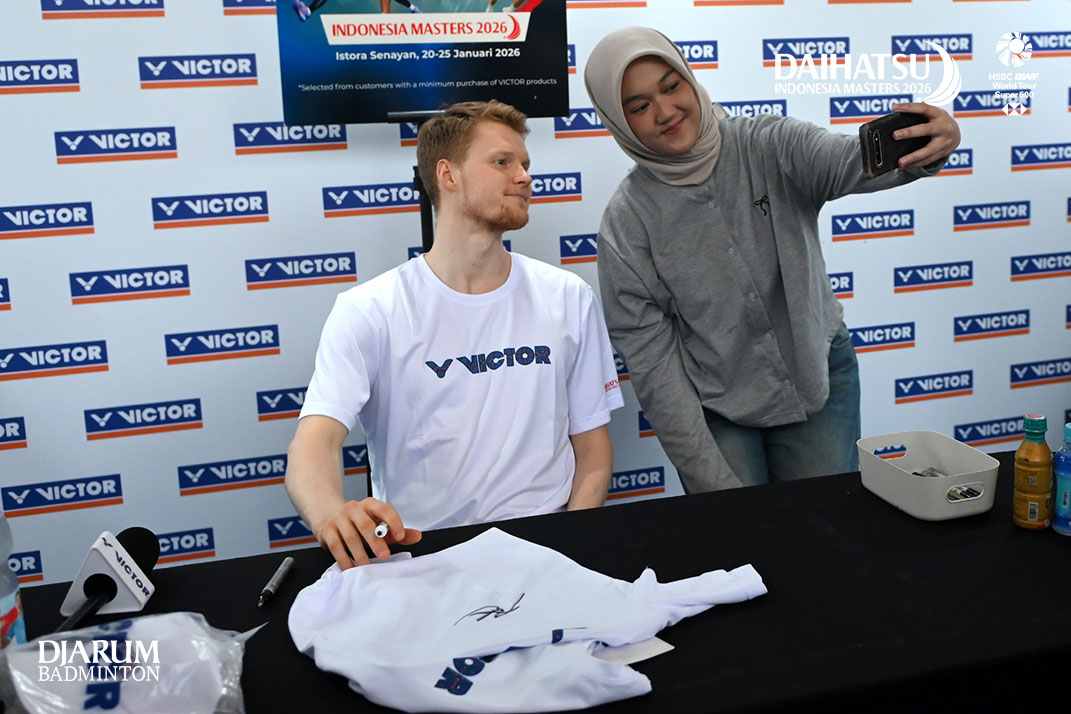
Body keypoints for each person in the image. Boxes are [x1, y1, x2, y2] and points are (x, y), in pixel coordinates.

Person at [584, 27, 961, 492]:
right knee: (740, 531)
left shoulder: (768, 143)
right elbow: (653, 366)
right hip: (716, 405)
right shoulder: (627, 225)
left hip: (818, 377)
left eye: (671, 86)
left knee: (824, 526)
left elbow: (846, 161)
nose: (665, 111)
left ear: (689, 78)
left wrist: (928, 148)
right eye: (639, 107)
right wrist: (709, 477)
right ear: (617, 121)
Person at [285, 100, 623, 568]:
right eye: (502, 162)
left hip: (548, 548)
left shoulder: (568, 296)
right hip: (424, 555)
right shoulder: (370, 310)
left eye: (525, 164)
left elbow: (593, 450)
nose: (524, 177)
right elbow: (313, 443)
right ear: (448, 174)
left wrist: (569, 550)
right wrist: (330, 514)